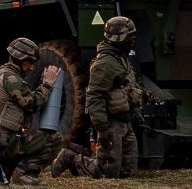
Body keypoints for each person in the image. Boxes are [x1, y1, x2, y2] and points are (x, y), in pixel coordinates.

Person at [53, 15, 143, 178]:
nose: (134, 38)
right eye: (130, 35)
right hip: (111, 122)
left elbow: (125, 87)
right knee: (106, 172)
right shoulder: (105, 64)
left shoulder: (121, 59)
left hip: (125, 121)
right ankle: (69, 157)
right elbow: (95, 96)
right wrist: (102, 128)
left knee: (127, 171)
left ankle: (82, 153)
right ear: (120, 37)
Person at [0, 36, 53, 183]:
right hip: (7, 140)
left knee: (7, 173)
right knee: (54, 139)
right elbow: (32, 105)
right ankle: (24, 175)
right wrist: (47, 85)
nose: (32, 67)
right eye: (30, 62)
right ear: (19, 60)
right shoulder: (11, 79)